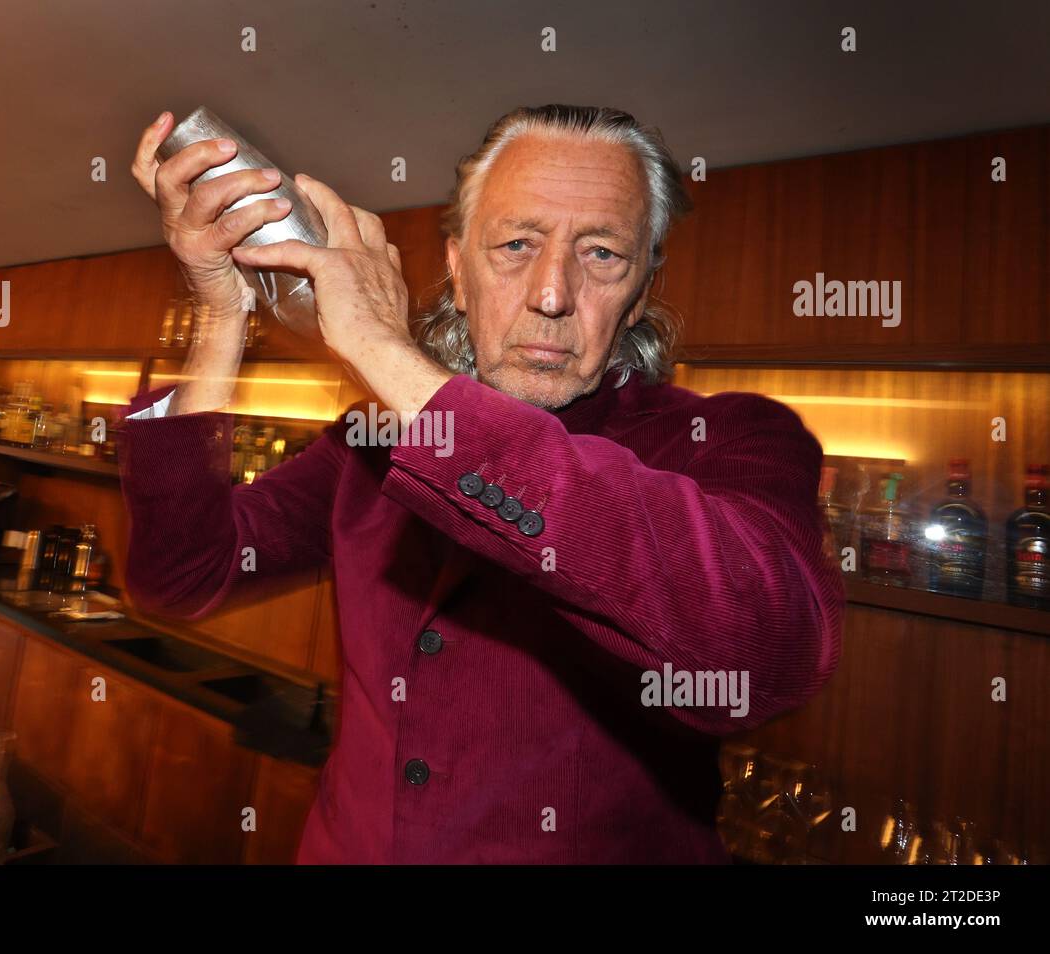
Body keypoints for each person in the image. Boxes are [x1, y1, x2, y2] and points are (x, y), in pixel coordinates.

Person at [120, 104, 844, 863]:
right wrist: (222, 311)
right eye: (516, 245)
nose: (553, 294)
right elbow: (183, 575)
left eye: (601, 254)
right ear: (458, 272)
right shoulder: (368, 445)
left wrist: (378, 346)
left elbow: (764, 654)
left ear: (640, 290)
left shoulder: (734, 439)